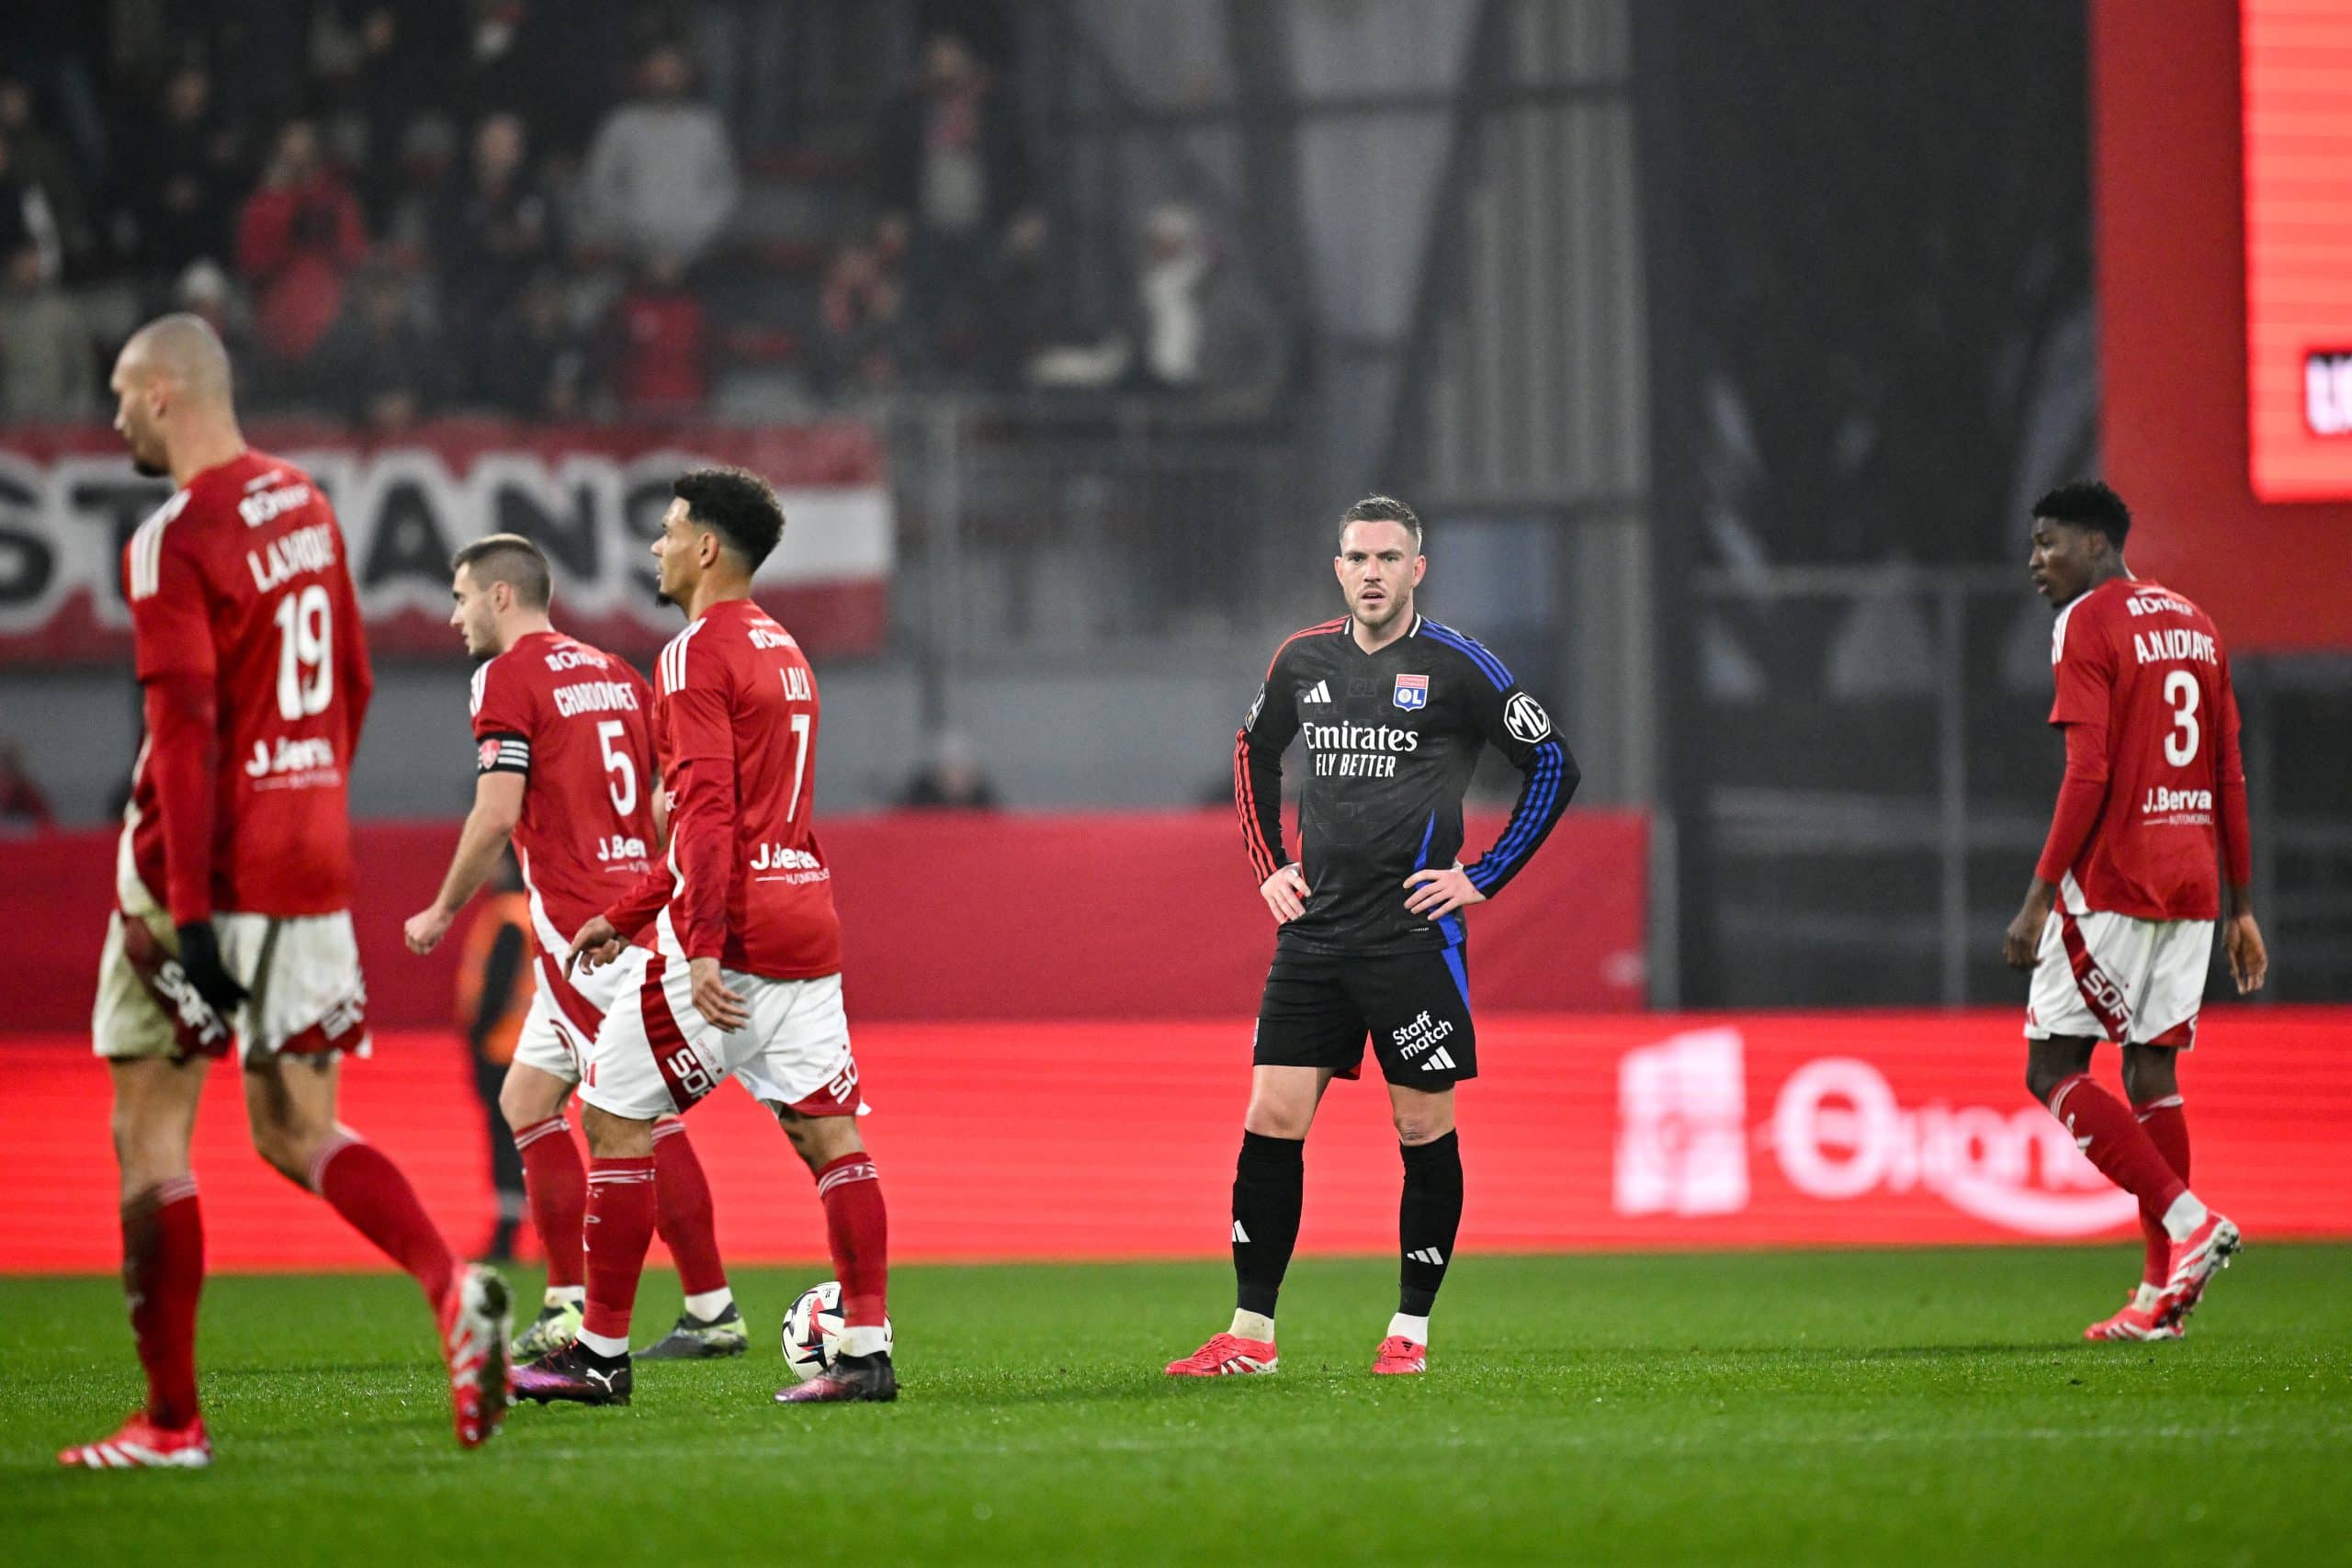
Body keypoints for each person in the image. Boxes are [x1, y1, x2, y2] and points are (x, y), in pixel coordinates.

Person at [62, 314, 507, 1471]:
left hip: (198, 876)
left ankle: (170, 1425)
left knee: (151, 1135)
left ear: (166, 394)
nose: (110, 417)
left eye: (120, 393)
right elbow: (349, 678)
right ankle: (451, 1284)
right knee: (294, 1126)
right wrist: (304, 809)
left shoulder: (173, 539)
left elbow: (184, 733)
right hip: (309, 862)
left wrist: (194, 916)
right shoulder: (306, 504)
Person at [1166, 495, 1578, 1380]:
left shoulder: (1461, 667)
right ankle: (1250, 1333)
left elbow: (1553, 762)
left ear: (1417, 569)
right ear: (1339, 566)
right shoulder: (1301, 660)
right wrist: (1268, 862)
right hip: (1315, 937)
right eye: (1357, 558)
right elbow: (1252, 750)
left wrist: (1484, 873)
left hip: (1412, 941)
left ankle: (1410, 1330)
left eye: (1390, 558)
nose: (1372, 573)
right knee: (1269, 1119)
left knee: (1421, 1124)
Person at [514, 468, 895, 1408]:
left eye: (670, 528)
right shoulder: (785, 648)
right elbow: (743, 816)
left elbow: (709, 813)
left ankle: (598, 1353)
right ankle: (865, 1350)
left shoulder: (692, 655)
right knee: (829, 1136)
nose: (657, 545)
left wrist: (699, 945)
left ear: (708, 549)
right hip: (806, 915)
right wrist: (631, 909)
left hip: (734, 932)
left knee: (610, 1117)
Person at [404, 533, 747, 1363]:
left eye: (459, 598)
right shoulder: (618, 674)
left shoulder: (502, 678)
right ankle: (563, 1301)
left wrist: (443, 908)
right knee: (527, 1101)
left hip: (586, 940)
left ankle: (710, 1308)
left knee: (635, 1117)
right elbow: (671, 800)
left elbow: (495, 812)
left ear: (500, 597)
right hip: (624, 918)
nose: (453, 617)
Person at [2003, 480, 2263, 1342]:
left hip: (2114, 881)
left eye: (2048, 542)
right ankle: (2162, 1297)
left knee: (2051, 1066)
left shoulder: (2087, 621)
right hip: (2194, 883)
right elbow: (2227, 769)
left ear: (2094, 542)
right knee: (2151, 1073)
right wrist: (2244, 904)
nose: (2037, 560)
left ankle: (2189, 1225)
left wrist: (2041, 895)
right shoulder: (2197, 620)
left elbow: (2088, 773)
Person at [577, 40, 738, 270]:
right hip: (626, 251)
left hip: (698, 253)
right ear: (643, 75)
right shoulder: (620, 124)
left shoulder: (705, 126)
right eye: (657, 71)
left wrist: (689, 240)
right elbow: (599, 185)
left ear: (686, 76)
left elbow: (724, 189)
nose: (664, 78)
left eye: (672, 71)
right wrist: (632, 237)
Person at [455, 852, 533, 1263]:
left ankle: (507, 1236)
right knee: (529, 1144)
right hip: (526, 1047)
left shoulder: (507, 917)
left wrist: (477, 1034)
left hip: (502, 1048)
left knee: (506, 1145)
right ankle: (538, 1233)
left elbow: (495, 992)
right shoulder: (527, 914)